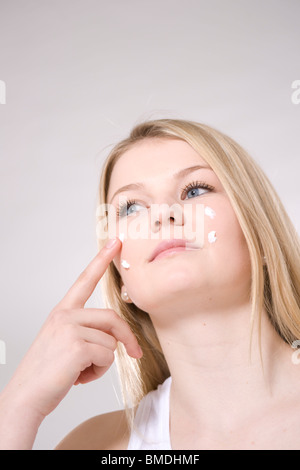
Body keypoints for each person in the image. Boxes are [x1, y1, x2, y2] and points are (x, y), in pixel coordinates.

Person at [1, 118, 300, 450]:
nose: (162, 215)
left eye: (195, 190)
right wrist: (19, 406)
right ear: (121, 280)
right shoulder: (95, 446)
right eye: (131, 208)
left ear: (259, 235)